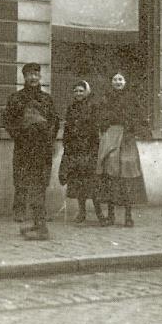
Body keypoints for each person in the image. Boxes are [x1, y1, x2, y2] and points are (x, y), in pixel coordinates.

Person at [3, 62, 59, 240]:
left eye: (36, 74)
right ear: (24, 77)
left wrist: (48, 137)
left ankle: (40, 226)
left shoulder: (47, 99)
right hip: (24, 146)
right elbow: (7, 121)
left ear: (40, 77)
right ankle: (28, 217)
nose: (33, 78)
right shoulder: (16, 98)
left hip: (42, 148)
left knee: (40, 184)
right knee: (22, 180)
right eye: (29, 75)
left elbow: (54, 122)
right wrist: (20, 135)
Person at [96, 71, 143, 228]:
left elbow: (139, 117)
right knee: (110, 176)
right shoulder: (106, 98)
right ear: (111, 82)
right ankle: (111, 216)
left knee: (127, 177)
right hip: (111, 138)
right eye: (115, 79)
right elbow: (101, 117)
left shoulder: (132, 98)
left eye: (121, 79)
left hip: (127, 139)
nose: (118, 82)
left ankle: (128, 216)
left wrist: (130, 127)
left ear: (125, 81)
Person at [60, 79, 104, 225]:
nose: (78, 94)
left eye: (81, 91)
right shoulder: (71, 108)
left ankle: (100, 214)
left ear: (87, 92)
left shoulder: (93, 107)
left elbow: (95, 129)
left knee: (92, 183)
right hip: (75, 150)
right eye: (76, 91)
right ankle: (82, 213)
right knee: (78, 184)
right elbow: (67, 128)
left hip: (89, 149)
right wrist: (67, 146)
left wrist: (93, 150)